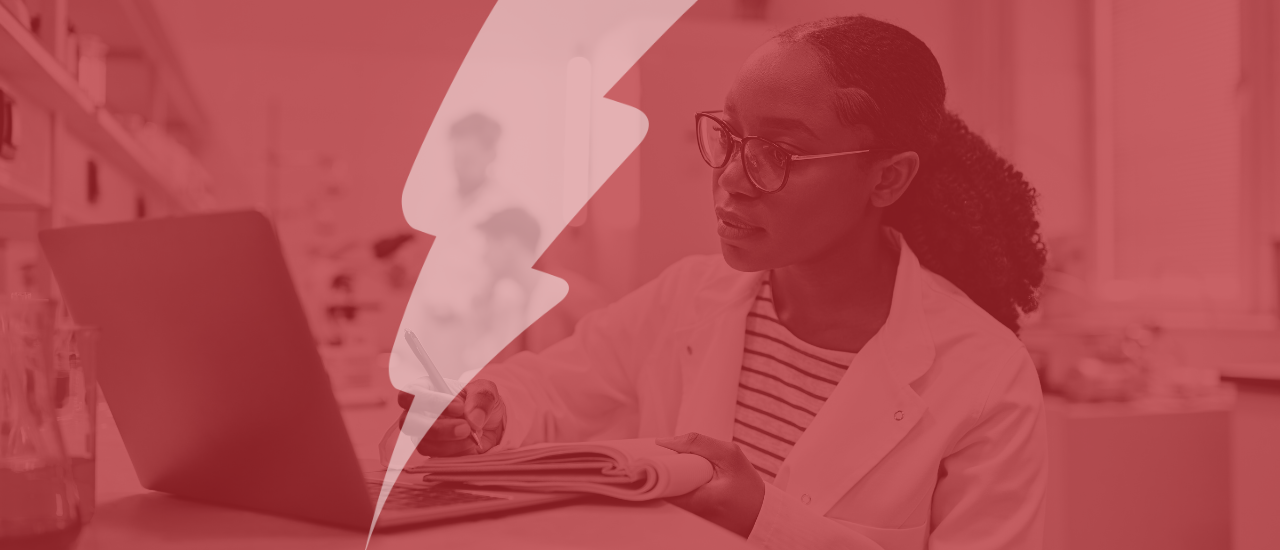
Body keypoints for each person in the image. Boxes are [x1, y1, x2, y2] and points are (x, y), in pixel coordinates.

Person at [397, 16, 1048, 550]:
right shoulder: (688, 298)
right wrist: (481, 413)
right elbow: (547, 387)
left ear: (887, 179)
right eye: (731, 137)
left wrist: (763, 518)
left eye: (780, 154)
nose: (732, 178)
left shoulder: (986, 377)